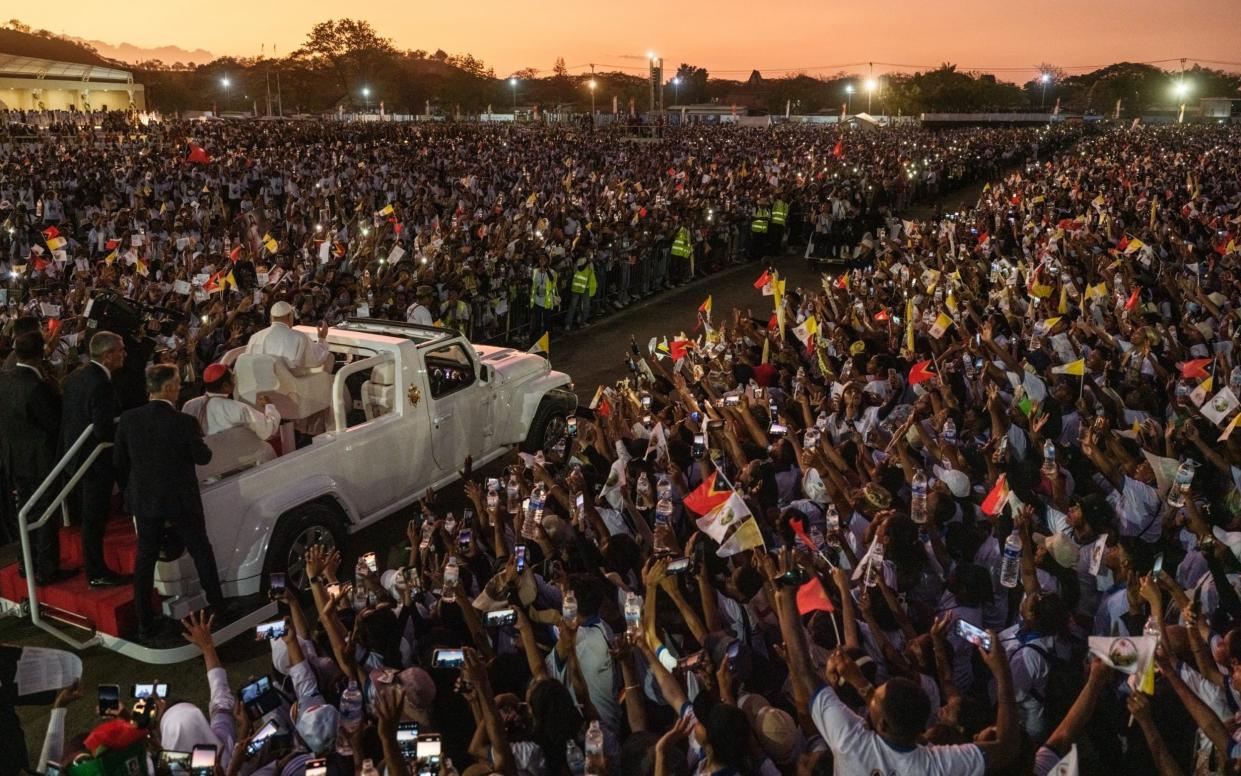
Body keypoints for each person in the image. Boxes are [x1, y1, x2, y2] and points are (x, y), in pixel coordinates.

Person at [113, 364, 224, 642]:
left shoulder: (128, 420)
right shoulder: (183, 422)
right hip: (181, 499)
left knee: (145, 560)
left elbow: (119, 463)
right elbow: (203, 457)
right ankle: (218, 607)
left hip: (145, 500)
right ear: (168, 388)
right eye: (177, 383)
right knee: (201, 551)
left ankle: (144, 622)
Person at [59, 331, 128, 587]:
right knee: (94, 520)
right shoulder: (101, 383)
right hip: (93, 462)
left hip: (77, 459)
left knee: (91, 519)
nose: (125, 355)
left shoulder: (77, 376)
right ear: (108, 355)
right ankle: (97, 572)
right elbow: (103, 430)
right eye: (121, 350)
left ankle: (95, 569)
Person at [0, 331, 66, 584]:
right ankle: (46, 568)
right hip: (40, 462)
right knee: (45, 514)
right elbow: (52, 423)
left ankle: (26, 563)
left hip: (15, 461)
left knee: (24, 512)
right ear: (42, 354)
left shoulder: (5, 381)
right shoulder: (38, 387)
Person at [181, 362, 281, 442]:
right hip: (233, 461)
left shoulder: (189, 405)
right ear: (225, 386)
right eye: (232, 378)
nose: (235, 381)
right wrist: (269, 406)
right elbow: (267, 429)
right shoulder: (238, 408)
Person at [245, 301, 332, 373]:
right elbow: (317, 358)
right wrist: (322, 339)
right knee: (329, 357)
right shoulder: (300, 337)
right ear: (290, 316)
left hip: (259, 384)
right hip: (289, 386)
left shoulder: (255, 337)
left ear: (271, 318)